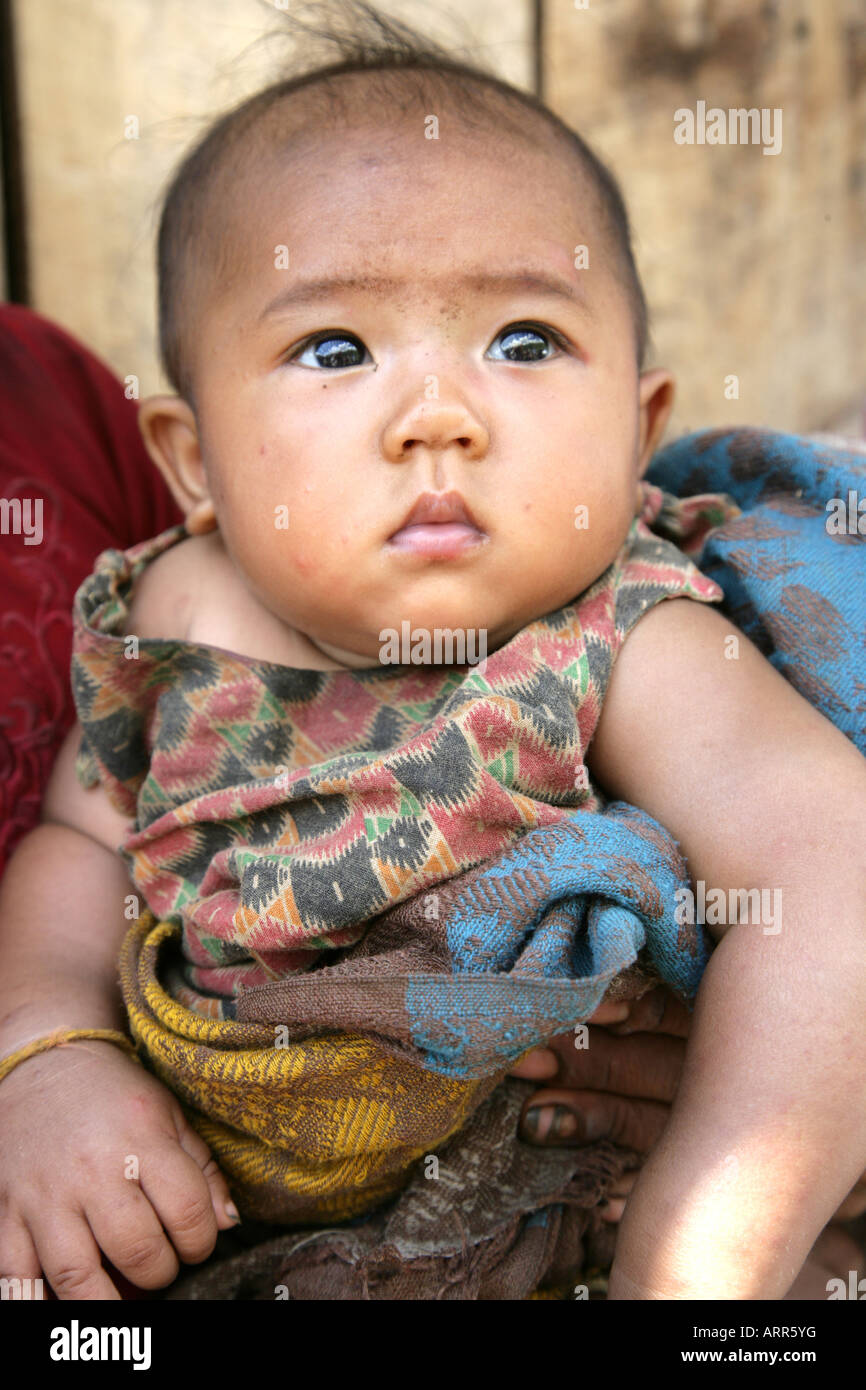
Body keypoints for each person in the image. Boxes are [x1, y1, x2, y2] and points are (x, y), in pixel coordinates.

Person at [1, 6, 864, 1300]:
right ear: (193, 460)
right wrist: (45, 1048)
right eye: (333, 348)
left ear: (638, 431)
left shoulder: (617, 638)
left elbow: (826, 869)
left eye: (524, 342)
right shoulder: (172, 615)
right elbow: (79, 846)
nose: (438, 416)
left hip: (547, 1230)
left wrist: (695, 1263)